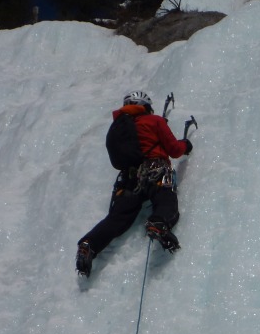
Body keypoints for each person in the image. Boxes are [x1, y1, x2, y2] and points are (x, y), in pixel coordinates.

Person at [76, 91, 193, 277]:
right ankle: (158, 223)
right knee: (165, 201)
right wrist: (186, 145)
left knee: (117, 218)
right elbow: (174, 150)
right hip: (156, 171)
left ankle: (89, 244)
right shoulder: (154, 121)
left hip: (129, 179)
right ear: (146, 107)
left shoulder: (118, 128)